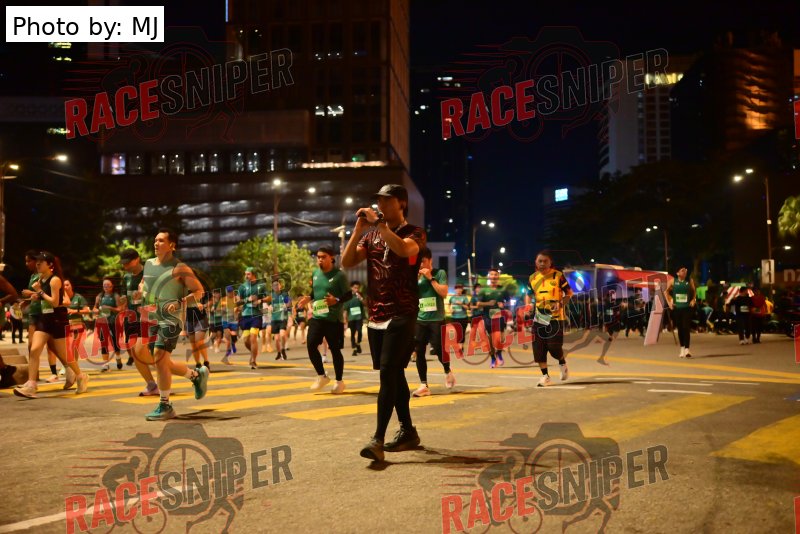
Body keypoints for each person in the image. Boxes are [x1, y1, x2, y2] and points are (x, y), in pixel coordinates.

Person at [342, 184, 425, 462]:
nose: (381, 205)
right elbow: (347, 261)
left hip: (403, 312)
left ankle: (377, 439)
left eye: (387, 201)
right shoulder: (372, 235)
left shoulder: (415, 232)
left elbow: (402, 249)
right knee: (394, 373)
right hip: (377, 315)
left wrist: (379, 224)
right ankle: (408, 431)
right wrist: (358, 230)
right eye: (379, 201)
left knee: (388, 372)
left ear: (401, 203)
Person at [132, 229, 209, 420]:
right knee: (151, 357)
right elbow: (144, 285)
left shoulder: (180, 268)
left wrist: (180, 302)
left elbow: (199, 291)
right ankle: (195, 376)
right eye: (155, 240)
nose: (156, 243)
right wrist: (140, 292)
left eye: (161, 240)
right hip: (150, 317)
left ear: (171, 245)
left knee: (159, 356)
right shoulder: (149, 264)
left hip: (171, 319)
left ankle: (165, 405)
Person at [14, 251, 89, 398]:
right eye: (37, 262)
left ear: (50, 264)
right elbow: (44, 298)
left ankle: (80, 376)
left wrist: (39, 291)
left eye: (40, 262)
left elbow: (55, 302)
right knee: (34, 349)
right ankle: (31, 385)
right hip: (44, 319)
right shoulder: (41, 279)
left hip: (57, 319)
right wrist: (34, 297)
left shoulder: (55, 280)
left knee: (64, 355)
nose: (37, 264)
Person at [297, 246, 350, 393]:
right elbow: (316, 291)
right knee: (311, 344)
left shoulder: (339, 275)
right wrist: (309, 297)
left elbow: (348, 295)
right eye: (318, 257)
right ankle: (322, 376)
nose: (320, 259)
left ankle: (339, 381)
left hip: (333, 319)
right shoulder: (315, 273)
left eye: (323, 257)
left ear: (331, 258)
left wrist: (336, 300)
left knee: (335, 350)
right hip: (317, 317)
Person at [412, 247, 455, 396]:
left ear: (430, 260)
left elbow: (443, 293)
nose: (420, 265)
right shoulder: (415, 276)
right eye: (418, 262)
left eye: (423, 261)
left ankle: (447, 370)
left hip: (436, 319)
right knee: (419, 351)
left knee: (438, 348)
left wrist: (430, 278)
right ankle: (423, 384)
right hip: (420, 319)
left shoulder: (439, 273)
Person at [526, 250, 573, 387]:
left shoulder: (558, 276)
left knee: (554, 347)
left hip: (556, 318)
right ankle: (545, 376)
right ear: (536, 262)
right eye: (539, 261)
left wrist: (560, 304)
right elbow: (529, 294)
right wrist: (528, 306)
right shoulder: (532, 278)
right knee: (539, 348)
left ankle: (562, 362)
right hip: (539, 317)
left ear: (550, 262)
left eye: (545, 261)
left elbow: (569, 293)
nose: (542, 263)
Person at [118, 248, 159, 396]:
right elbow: (123, 296)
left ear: (137, 259)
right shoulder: (126, 277)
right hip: (131, 317)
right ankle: (151, 384)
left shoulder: (148, 275)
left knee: (143, 350)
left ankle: (165, 373)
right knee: (135, 354)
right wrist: (123, 299)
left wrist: (143, 295)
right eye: (123, 263)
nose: (125, 266)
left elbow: (157, 296)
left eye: (127, 263)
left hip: (146, 317)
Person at [474, 269, 508, 368]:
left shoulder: (503, 289)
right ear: (489, 276)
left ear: (498, 276)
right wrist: (488, 303)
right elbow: (478, 304)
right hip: (488, 317)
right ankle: (493, 358)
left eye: (495, 274)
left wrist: (504, 304)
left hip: (499, 316)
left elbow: (509, 301)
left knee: (500, 338)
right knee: (490, 340)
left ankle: (499, 353)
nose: (493, 276)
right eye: (491, 274)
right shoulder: (483, 290)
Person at [237, 267, 266, 369]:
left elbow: (269, 297)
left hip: (256, 315)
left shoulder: (261, 286)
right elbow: (237, 302)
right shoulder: (242, 287)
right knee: (246, 341)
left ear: (253, 274)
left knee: (253, 337)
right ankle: (254, 352)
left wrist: (260, 301)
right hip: (245, 315)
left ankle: (253, 360)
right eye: (245, 274)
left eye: (248, 274)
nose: (246, 276)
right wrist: (247, 299)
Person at [666, 266, 697, 358]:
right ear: (677, 273)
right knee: (680, 328)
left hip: (686, 308)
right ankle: (682, 348)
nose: (684, 272)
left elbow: (694, 292)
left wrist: (693, 300)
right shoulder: (672, 281)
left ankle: (687, 349)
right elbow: (665, 292)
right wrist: (669, 302)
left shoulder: (689, 281)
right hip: (677, 308)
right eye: (682, 271)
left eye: (685, 270)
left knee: (686, 327)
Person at [93, 278, 123, 372]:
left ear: (112, 286)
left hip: (113, 322)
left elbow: (120, 309)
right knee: (103, 342)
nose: (106, 287)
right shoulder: (99, 296)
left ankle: (118, 357)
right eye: (104, 285)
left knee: (115, 342)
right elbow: (94, 307)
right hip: (102, 322)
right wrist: (96, 310)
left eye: (108, 285)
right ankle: (105, 364)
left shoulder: (115, 296)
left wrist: (109, 307)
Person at [268, 278, 291, 361]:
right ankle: (278, 353)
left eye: (277, 285)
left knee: (282, 335)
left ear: (280, 285)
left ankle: (283, 349)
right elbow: (267, 306)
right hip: (274, 319)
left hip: (282, 318)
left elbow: (289, 303)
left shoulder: (284, 294)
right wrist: (269, 307)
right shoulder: (271, 296)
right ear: (272, 287)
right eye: (274, 285)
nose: (276, 286)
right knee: (277, 339)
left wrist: (286, 305)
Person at [344, 281, 365, 356]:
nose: (357, 289)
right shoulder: (348, 297)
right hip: (351, 318)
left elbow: (365, 304)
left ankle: (358, 343)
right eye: (355, 288)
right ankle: (354, 349)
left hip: (359, 317)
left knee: (359, 332)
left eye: (358, 288)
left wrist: (361, 298)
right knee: (352, 333)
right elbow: (345, 310)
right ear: (351, 288)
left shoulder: (360, 295)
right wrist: (345, 320)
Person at [220, 285, 240, 365]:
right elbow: (219, 310)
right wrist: (222, 309)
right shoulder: (223, 300)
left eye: (231, 292)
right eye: (228, 292)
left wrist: (237, 308)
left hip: (234, 321)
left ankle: (233, 343)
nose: (229, 293)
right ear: (226, 292)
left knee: (234, 336)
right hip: (225, 321)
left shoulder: (236, 299)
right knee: (228, 338)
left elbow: (240, 308)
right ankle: (226, 357)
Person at [448, 284, 470, 354]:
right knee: (457, 332)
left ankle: (460, 347)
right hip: (454, 317)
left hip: (463, 317)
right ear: (455, 290)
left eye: (460, 288)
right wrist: (450, 310)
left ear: (462, 290)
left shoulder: (464, 298)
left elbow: (468, 307)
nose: (458, 290)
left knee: (462, 332)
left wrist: (461, 304)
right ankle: (459, 346)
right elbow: (449, 305)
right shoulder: (452, 298)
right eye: (457, 288)